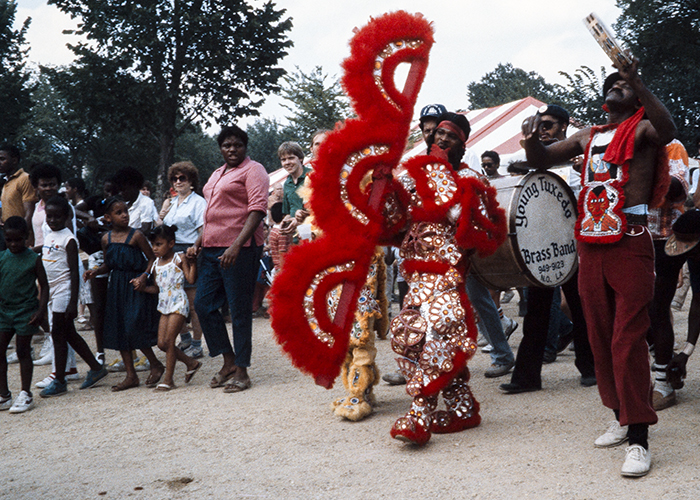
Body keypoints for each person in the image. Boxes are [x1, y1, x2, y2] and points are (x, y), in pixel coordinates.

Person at [521, 61, 677, 477]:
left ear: (638, 95)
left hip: (630, 239)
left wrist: (640, 81)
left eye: (625, 85)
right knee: (601, 336)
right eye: (613, 83)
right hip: (590, 245)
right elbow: (542, 159)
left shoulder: (643, 129)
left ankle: (640, 437)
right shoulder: (588, 136)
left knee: (627, 338)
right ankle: (620, 415)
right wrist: (530, 140)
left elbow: (669, 131)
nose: (618, 88)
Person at [388, 112, 507, 444]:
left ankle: (419, 412)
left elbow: (485, 232)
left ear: (463, 144)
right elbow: (393, 223)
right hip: (415, 274)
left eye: (450, 136)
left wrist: (449, 197)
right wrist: (382, 185)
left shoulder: (472, 178)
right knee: (413, 337)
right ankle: (462, 406)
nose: (440, 140)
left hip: (449, 273)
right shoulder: (414, 174)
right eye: (437, 134)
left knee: (427, 336)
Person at [500, 104, 596, 393]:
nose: (543, 129)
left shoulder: (581, 160)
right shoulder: (529, 157)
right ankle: (527, 377)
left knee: (580, 309)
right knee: (537, 312)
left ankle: (591, 368)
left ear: (565, 127)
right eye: (541, 124)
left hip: (574, 246)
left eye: (550, 125)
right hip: (541, 248)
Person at [189, 125, 268, 393]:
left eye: (237, 145)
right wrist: (198, 241)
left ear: (245, 147)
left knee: (239, 309)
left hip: (240, 249)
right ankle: (228, 360)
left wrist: (237, 245)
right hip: (211, 248)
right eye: (226, 145)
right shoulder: (216, 173)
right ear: (220, 148)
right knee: (203, 305)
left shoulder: (253, 169)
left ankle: (242, 372)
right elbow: (211, 212)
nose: (232, 149)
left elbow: (257, 210)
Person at [84, 196, 164, 392]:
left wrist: (145, 276)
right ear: (108, 217)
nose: (124, 216)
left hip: (134, 284)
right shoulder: (106, 239)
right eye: (119, 213)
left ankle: (155, 363)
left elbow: (152, 259)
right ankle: (131, 375)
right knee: (120, 329)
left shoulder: (136, 236)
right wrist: (96, 271)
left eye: (126, 212)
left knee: (133, 326)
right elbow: (109, 264)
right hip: (117, 286)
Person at [38, 196, 108, 397]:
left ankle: (59, 380)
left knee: (58, 335)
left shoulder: (68, 239)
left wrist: (72, 303)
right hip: (53, 290)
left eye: (56, 217)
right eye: (49, 216)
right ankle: (96, 368)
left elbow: (75, 274)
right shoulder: (51, 234)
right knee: (68, 333)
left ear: (66, 216)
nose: (52, 220)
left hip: (65, 290)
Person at [647, 139, 690, 410]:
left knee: (657, 307)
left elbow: (677, 189)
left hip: (666, 239)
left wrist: (643, 166)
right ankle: (665, 362)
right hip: (631, 236)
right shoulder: (618, 142)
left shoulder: (671, 146)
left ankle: (663, 381)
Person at [143, 225, 201, 391]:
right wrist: (143, 289)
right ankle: (191, 363)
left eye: (159, 244)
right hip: (164, 304)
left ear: (171, 243)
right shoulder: (155, 264)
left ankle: (169, 379)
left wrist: (193, 263)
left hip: (178, 301)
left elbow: (190, 279)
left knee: (169, 342)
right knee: (161, 343)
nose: (155, 248)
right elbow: (157, 288)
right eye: (153, 244)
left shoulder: (179, 258)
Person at [0, 217, 49, 412]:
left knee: (22, 351)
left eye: (17, 240)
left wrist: (41, 310)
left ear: (26, 238)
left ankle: (25, 393)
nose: (13, 244)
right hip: (4, 311)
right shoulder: (2, 257)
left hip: (26, 311)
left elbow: (44, 286)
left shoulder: (33, 259)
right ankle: (4, 394)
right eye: (9, 240)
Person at [160, 162, 207, 359]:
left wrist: (194, 248)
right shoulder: (171, 202)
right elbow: (162, 227)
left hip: (189, 252)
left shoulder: (198, 203)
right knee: (173, 299)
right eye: (175, 179)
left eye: (182, 178)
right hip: (171, 253)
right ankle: (185, 337)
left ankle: (197, 343)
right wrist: (162, 213)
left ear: (191, 182)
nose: (178, 182)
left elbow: (203, 230)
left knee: (193, 302)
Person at [0, 144, 36, 248]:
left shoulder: (24, 179)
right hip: (8, 237)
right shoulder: (6, 181)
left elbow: (30, 212)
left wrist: (22, 237)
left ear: (14, 160)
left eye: (2, 159)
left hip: (19, 240)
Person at [278, 141, 310, 236]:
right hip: (296, 236)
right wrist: (283, 223)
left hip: (314, 232)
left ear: (300, 158)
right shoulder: (287, 183)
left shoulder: (312, 176)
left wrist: (299, 219)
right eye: (283, 160)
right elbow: (288, 212)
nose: (287, 162)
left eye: (291, 158)